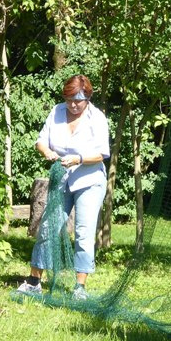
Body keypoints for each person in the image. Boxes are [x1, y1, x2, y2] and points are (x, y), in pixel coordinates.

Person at [15, 75, 110, 301]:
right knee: (48, 227)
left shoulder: (97, 118)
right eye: (69, 100)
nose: (73, 105)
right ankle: (34, 281)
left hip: (89, 180)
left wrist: (78, 158)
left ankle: (80, 288)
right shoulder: (57, 112)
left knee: (83, 232)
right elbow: (41, 140)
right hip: (62, 179)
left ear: (88, 97)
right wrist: (46, 151)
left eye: (78, 100)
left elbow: (101, 154)